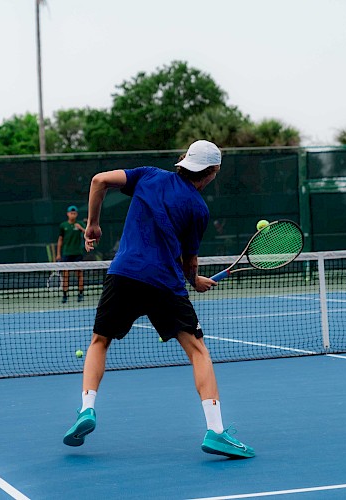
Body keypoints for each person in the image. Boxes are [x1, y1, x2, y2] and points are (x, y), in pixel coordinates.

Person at [63, 140, 255, 459]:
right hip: (163, 282)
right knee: (197, 351)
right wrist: (195, 280)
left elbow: (99, 180)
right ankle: (217, 432)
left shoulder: (149, 175)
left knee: (99, 341)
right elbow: (189, 261)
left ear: (185, 161)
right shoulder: (198, 209)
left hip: (124, 273)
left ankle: (86, 409)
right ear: (211, 174)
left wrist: (93, 224)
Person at [56, 205, 86, 303]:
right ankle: (65, 295)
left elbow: (87, 234)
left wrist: (81, 228)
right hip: (66, 254)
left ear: (76, 214)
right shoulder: (63, 225)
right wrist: (58, 254)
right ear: (68, 214)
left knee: (79, 274)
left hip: (78, 253)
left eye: (74, 213)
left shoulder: (80, 224)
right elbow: (60, 240)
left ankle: (80, 294)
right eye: (71, 213)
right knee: (65, 275)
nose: (72, 215)